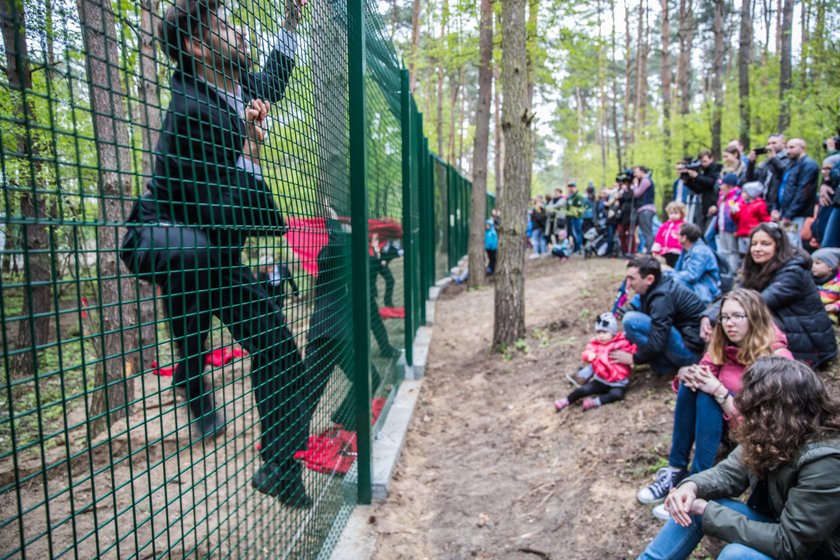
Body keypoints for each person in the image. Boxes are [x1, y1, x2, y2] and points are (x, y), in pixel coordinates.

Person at [120, 0, 312, 506]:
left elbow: (271, 83)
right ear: (194, 45)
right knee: (199, 254)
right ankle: (191, 367)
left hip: (215, 249)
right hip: (162, 235)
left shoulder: (233, 88)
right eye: (225, 25)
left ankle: (280, 466)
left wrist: (290, 23)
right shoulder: (191, 108)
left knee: (283, 354)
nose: (240, 32)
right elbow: (215, 211)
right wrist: (250, 152)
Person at [636, 357, 840, 560]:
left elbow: (790, 543)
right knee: (693, 507)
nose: (745, 411)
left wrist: (708, 512)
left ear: (777, 411)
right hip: (782, 530)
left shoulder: (825, 461)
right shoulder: (776, 434)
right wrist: (691, 486)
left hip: (815, 551)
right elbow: (728, 473)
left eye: (756, 407)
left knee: (737, 555)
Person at [636, 289, 793, 517]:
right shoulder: (723, 342)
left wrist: (720, 392)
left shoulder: (777, 359)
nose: (729, 324)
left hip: (754, 436)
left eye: (738, 316)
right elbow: (703, 372)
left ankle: (699, 485)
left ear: (755, 316)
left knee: (709, 391)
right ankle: (676, 470)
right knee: (695, 384)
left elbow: (767, 428)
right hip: (723, 425)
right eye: (725, 317)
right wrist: (687, 375)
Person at [700, 223, 837, 367]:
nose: (757, 249)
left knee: (743, 317)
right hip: (790, 329)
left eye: (765, 244)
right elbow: (735, 295)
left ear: (778, 246)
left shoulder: (794, 272)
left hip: (810, 343)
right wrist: (708, 316)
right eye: (754, 244)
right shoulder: (758, 268)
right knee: (733, 317)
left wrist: (719, 317)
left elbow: (757, 302)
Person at [611, 256, 705, 376]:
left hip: (690, 354)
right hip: (683, 342)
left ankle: (664, 366)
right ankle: (662, 365)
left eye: (632, 279)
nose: (628, 284)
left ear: (649, 279)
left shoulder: (662, 298)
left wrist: (633, 358)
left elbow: (657, 341)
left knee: (631, 321)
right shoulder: (655, 287)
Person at [555, 313, 637, 411]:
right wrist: (589, 356)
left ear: (613, 333)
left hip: (618, 382)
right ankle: (566, 401)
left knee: (617, 394)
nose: (601, 336)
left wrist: (634, 351)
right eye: (598, 333)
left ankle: (594, 402)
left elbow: (632, 350)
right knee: (583, 389)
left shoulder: (621, 343)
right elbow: (586, 353)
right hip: (601, 380)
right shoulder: (595, 345)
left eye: (604, 332)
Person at [773, 138, 820, 248]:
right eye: (787, 147)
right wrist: (776, 208)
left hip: (796, 213)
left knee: (791, 241)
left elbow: (803, 193)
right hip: (785, 211)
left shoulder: (809, 165)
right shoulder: (791, 165)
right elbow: (782, 187)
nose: (788, 151)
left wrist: (789, 214)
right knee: (786, 240)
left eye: (792, 147)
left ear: (803, 148)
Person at [671, 223, 721, 305]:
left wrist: (669, 276)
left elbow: (692, 275)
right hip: (695, 288)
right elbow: (677, 270)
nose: (676, 236)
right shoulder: (685, 250)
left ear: (684, 238)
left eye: (678, 234)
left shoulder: (700, 251)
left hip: (705, 291)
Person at [746, 133, 789, 212]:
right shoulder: (766, 162)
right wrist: (751, 163)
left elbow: (784, 173)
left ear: (783, 143)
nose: (770, 146)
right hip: (762, 202)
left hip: (776, 204)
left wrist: (773, 158)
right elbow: (751, 179)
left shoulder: (788, 158)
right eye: (769, 143)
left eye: (774, 143)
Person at [683, 150, 722, 230]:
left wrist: (697, 176)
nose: (703, 164)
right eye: (701, 162)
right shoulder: (704, 172)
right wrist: (688, 182)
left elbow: (712, 183)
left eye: (705, 161)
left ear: (711, 159)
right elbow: (699, 189)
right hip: (705, 206)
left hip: (714, 205)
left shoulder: (718, 168)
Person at [710, 173, 742, 272]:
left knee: (732, 251)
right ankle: (725, 270)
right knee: (724, 250)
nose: (721, 187)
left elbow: (737, 214)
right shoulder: (723, 197)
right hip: (722, 227)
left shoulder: (736, 197)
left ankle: (732, 270)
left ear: (730, 185)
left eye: (723, 184)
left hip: (731, 228)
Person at [730, 181, 770, 258]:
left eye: (744, 192)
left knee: (752, 254)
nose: (742, 194)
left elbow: (765, 219)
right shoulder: (742, 205)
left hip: (752, 234)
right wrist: (733, 213)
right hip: (742, 233)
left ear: (751, 193)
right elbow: (737, 219)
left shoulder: (759, 205)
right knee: (742, 254)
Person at [651, 202, 686, 268]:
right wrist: (655, 250)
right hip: (665, 252)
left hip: (677, 251)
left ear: (681, 214)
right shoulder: (664, 226)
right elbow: (658, 239)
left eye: (676, 213)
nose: (673, 215)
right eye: (671, 213)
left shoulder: (683, 225)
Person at [632, 167, 657, 254]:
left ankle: (650, 251)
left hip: (646, 209)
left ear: (642, 172)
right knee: (645, 231)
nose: (635, 174)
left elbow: (637, 193)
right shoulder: (644, 180)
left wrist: (635, 184)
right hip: (643, 209)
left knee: (647, 231)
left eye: (636, 172)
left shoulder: (646, 180)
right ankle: (649, 250)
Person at [811, 247, 840, 323]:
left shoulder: (837, 284)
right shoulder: (808, 280)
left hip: (830, 322)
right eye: (812, 263)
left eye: (817, 263)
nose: (813, 266)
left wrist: (836, 306)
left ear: (830, 267)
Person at [672, 160, 703, 229]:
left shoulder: (690, 182)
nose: (679, 171)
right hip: (677, 206)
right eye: (677, 169)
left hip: (688, 206)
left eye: (681, 169)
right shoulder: (676, 183)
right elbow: (675, 195)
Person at [566, 182, 587, 254]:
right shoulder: (570, 196)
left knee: (577, 233)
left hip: (577, 218)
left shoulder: (579, 196)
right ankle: (575, 248)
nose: (570, 189)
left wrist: (575, 213)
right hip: (571, 218)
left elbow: (580, 208)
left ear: (575, 187)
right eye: (569, 187)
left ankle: (579, 248)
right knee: (573, 233)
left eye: (572, 187)